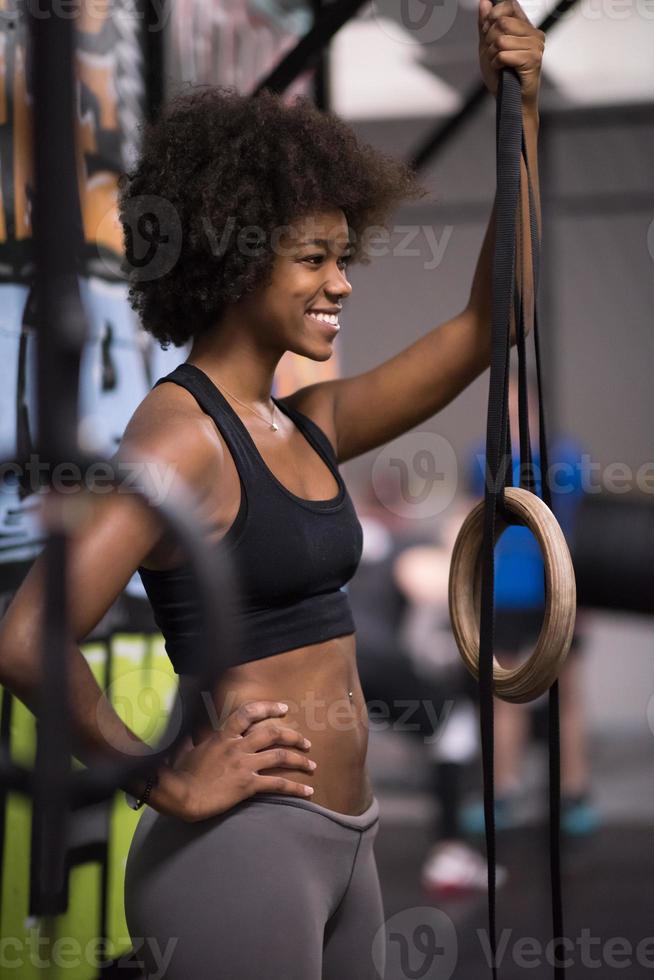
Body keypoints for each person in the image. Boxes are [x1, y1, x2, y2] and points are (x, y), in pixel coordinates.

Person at [0, 7, 546, 975]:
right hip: (241, 849)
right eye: (315, 258)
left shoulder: (307, 420)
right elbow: (25, 634)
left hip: (353, 841)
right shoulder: (181, 435)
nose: (342, 282)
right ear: (239, 254)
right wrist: (161, 774)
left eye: (345, 256)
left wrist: (524, 116)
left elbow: (485, 327)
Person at [460, 373, 600, 837]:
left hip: (559, 593)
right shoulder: (484, 459)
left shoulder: (567, 459)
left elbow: (583, 530)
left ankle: (574, 794)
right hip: (507, 595)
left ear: (538, 407)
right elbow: (472, 525)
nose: (516, 415)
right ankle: (502, 794)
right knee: (507, 697)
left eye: (523, 407)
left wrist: (587, 597)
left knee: (567, 694)